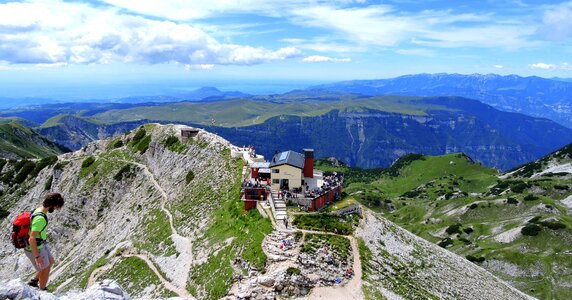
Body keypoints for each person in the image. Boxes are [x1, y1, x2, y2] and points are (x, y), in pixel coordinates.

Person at [25, 192, 65, 290]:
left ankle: (34, 280)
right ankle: (42, 290)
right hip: (36, 247)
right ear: (53, 205)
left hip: (41, 243)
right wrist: (37, 256)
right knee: (45, 268)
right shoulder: (40, 219)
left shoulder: (39, 210)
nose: (55, 209)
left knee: (51, 261)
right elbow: (32, 238)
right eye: (56, 207)